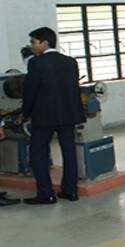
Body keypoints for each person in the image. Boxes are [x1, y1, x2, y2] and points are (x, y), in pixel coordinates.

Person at [22, 27, 86, 204]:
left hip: (44, 117)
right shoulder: (70, 62)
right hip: (68, 115)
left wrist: (25, 113)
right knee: (69, 151)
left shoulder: (36, 63)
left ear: (44, 43)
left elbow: (30, 91)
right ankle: (70, 190)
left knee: (38, 153)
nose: (31, 46)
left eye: (34, 42)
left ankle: (46, 194)